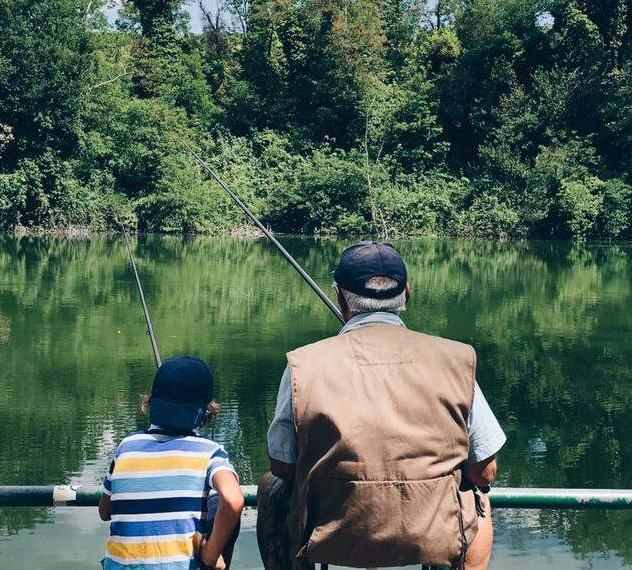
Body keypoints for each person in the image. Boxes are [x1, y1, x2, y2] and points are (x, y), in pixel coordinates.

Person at [258, 241, 506, 570]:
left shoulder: (303, 365)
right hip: (432, 532)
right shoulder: (456, 359)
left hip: (332, 536)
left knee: (269, 487)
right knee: (478, 495)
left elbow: (282, 466)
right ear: (407, 293)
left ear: (340, 298)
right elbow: (484, 468)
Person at [99, 356, 245, 570]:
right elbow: (233, 500)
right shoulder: (209, 453)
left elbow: (105, 512)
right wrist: (211, 556)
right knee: (214, 505)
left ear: (150, 403)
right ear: (206, 411)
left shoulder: (125, 447)